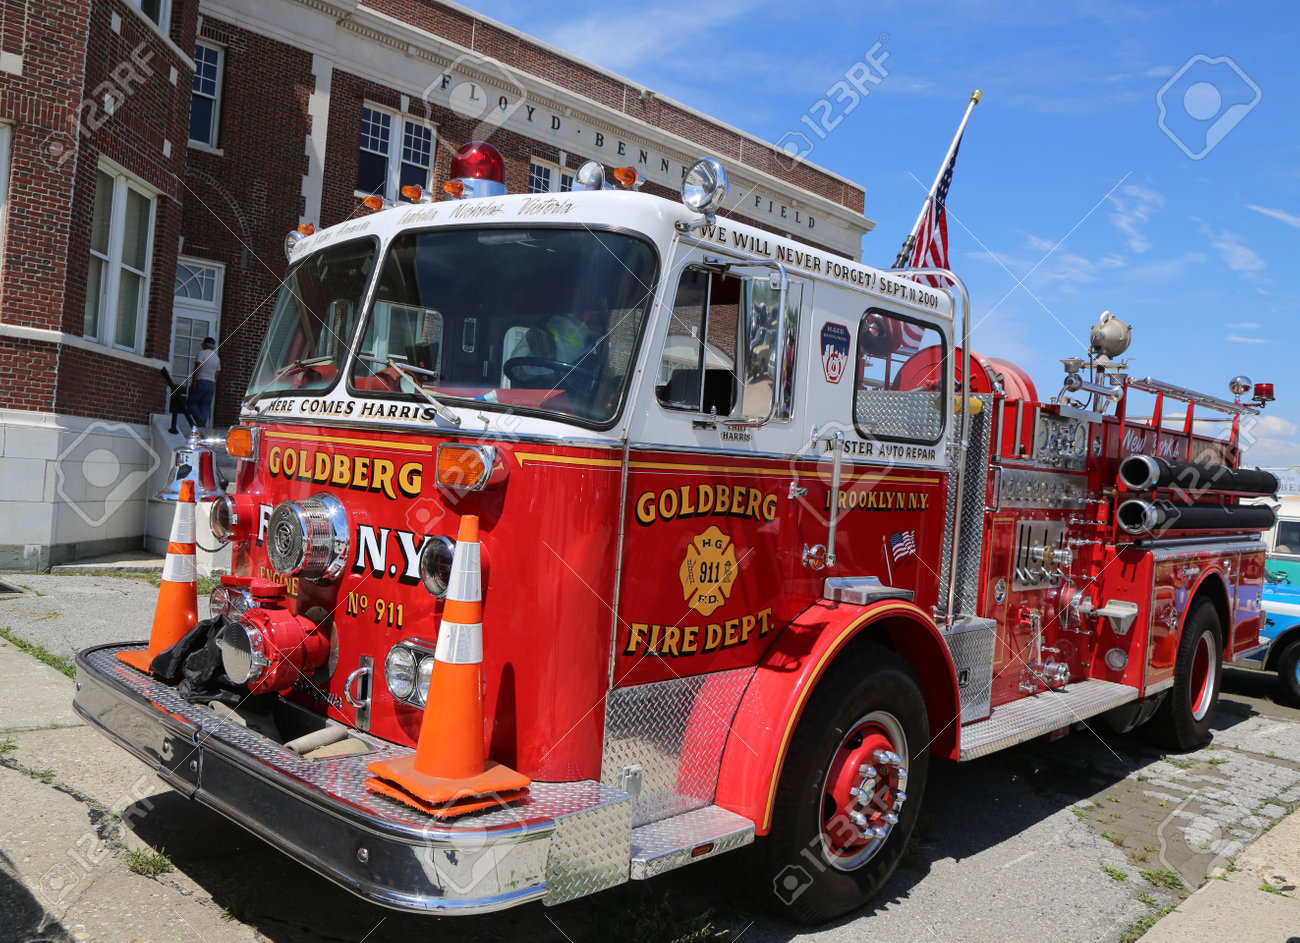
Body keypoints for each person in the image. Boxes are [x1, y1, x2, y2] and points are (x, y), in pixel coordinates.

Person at [187, 337, 221, 427]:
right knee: (205, 405)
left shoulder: (202, 354)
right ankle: (203, 424)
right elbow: (217, 373)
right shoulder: (216, 358)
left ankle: (199, 418)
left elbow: (198, 368)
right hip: (211, 383)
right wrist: (213, 382)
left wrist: (193, 381)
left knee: (191, 402)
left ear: (204, 345)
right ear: (213, 347)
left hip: (201, 381)